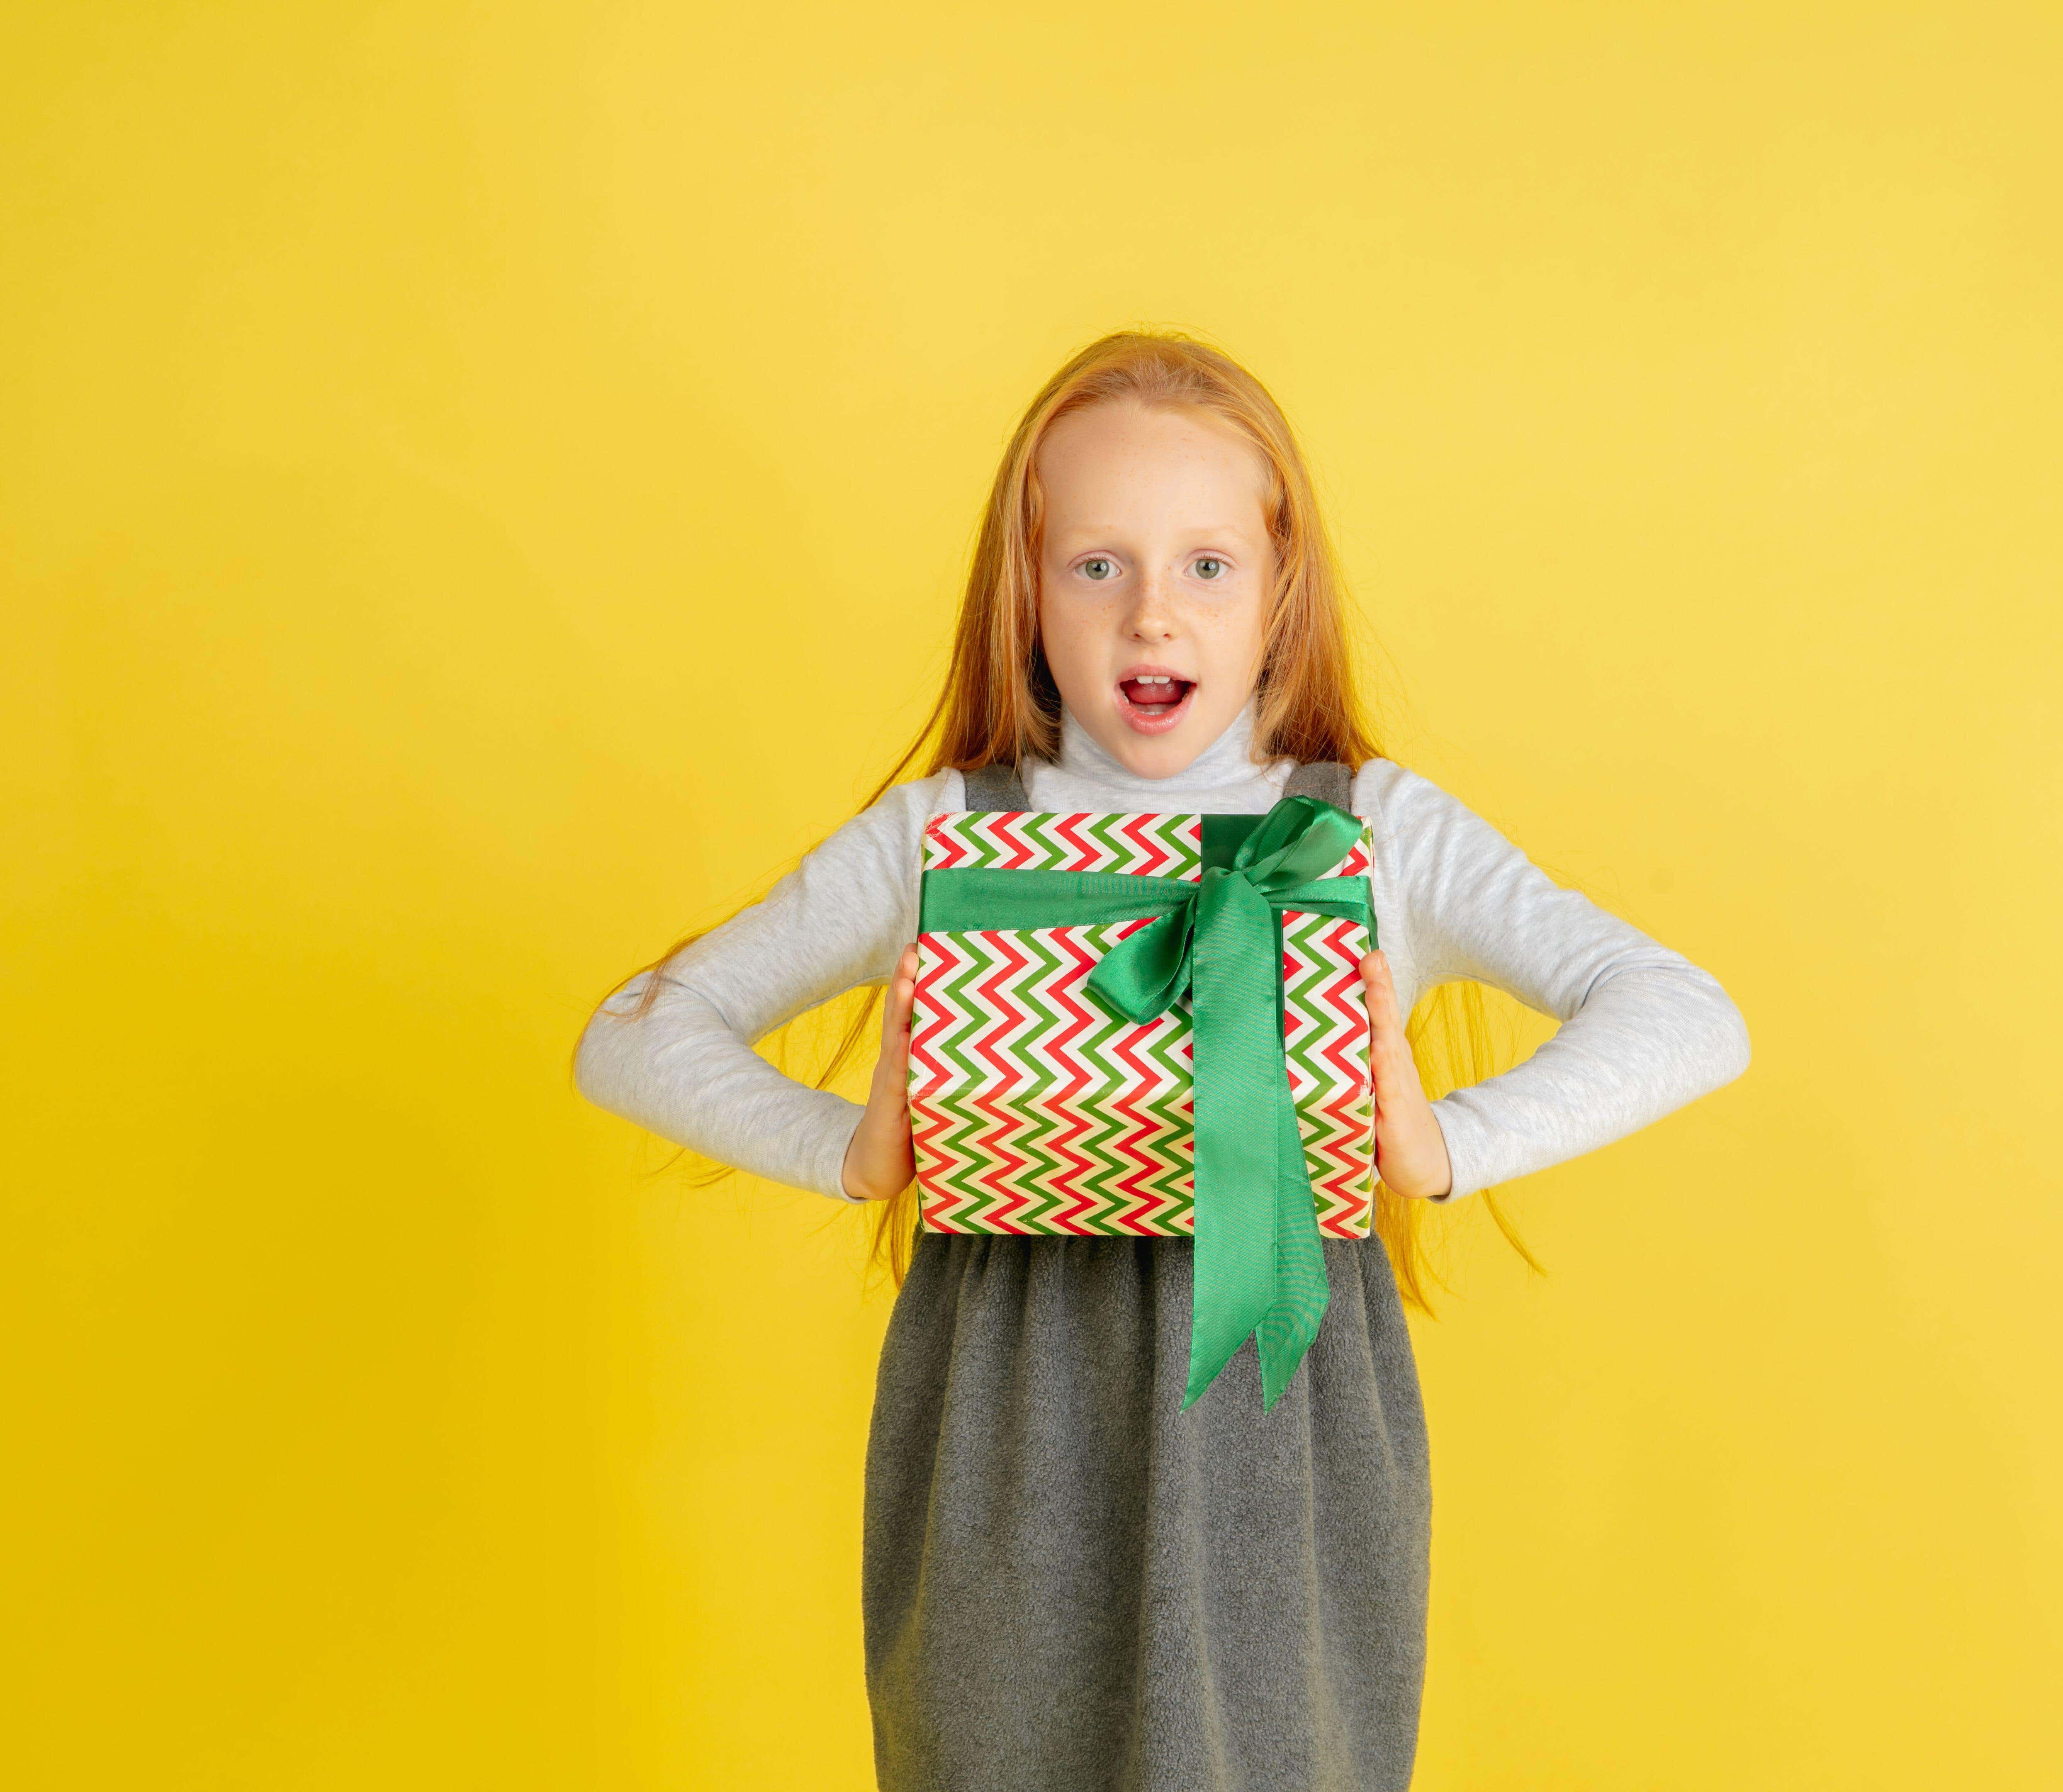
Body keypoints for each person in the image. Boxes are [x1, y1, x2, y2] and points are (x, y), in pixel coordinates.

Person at [572, 330, 1751, 1792]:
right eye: (1096, 566)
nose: (1152, 619)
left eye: (1206, 565)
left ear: (1279, 593)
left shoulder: (1367, 829)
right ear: (1028, 590)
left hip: (1285, 1417)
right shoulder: (949, 837)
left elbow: (1688, 1011)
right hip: (1010, 1427)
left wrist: (1437, 1142)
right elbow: (628, 1036)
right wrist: (852, 1146)